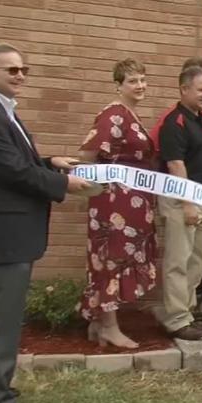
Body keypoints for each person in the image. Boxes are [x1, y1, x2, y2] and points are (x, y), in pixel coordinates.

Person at [0, 43, 91, 403]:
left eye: (23, 70)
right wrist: (63, 184)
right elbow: (11, 171)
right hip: (5, 236)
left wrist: (50, 162)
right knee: (0, 323)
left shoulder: (2, 111)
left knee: (3, 320)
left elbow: (20, 160)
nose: (20, 75)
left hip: (13, 235)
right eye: (12, 70)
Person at [79, 57, 159, 349]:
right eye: (132, 81)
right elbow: (88, 155)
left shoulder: (131, 114)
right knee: (111, 259)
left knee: (117, 258)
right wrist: (108, 182)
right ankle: (110, 327)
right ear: (118, 85)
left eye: (142, 79)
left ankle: (98, 324)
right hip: (114, 203)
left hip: (132, 201)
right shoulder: (114, 115)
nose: (139, 85)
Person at [149, 57, 202, 319]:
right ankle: (176, 319)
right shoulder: (174, 123)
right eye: (201, 89)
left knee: (196, 264)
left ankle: (188, 312)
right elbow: (175, 165)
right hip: (182, 202)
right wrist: (188, 204)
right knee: (178, 263)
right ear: (184, 89)